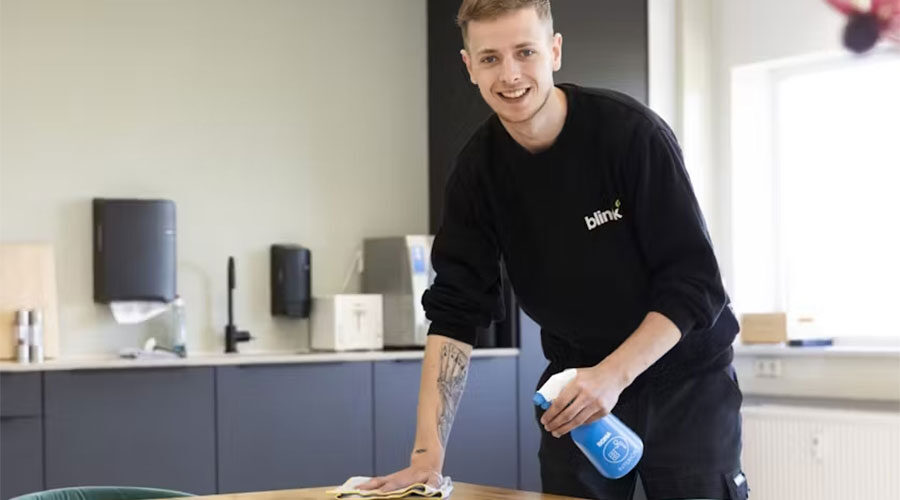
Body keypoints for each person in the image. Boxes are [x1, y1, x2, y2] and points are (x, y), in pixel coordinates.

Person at [358, 1, 747, 499]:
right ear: (469, 66)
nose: (511, 74)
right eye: (491, 58)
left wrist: (612, 377)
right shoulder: (478, 174)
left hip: (685, 381)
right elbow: (455, 311)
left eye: (525, 52)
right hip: (573, 385)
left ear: (555, 52)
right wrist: (425, 456)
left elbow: (695, 284)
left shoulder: (630, 135)